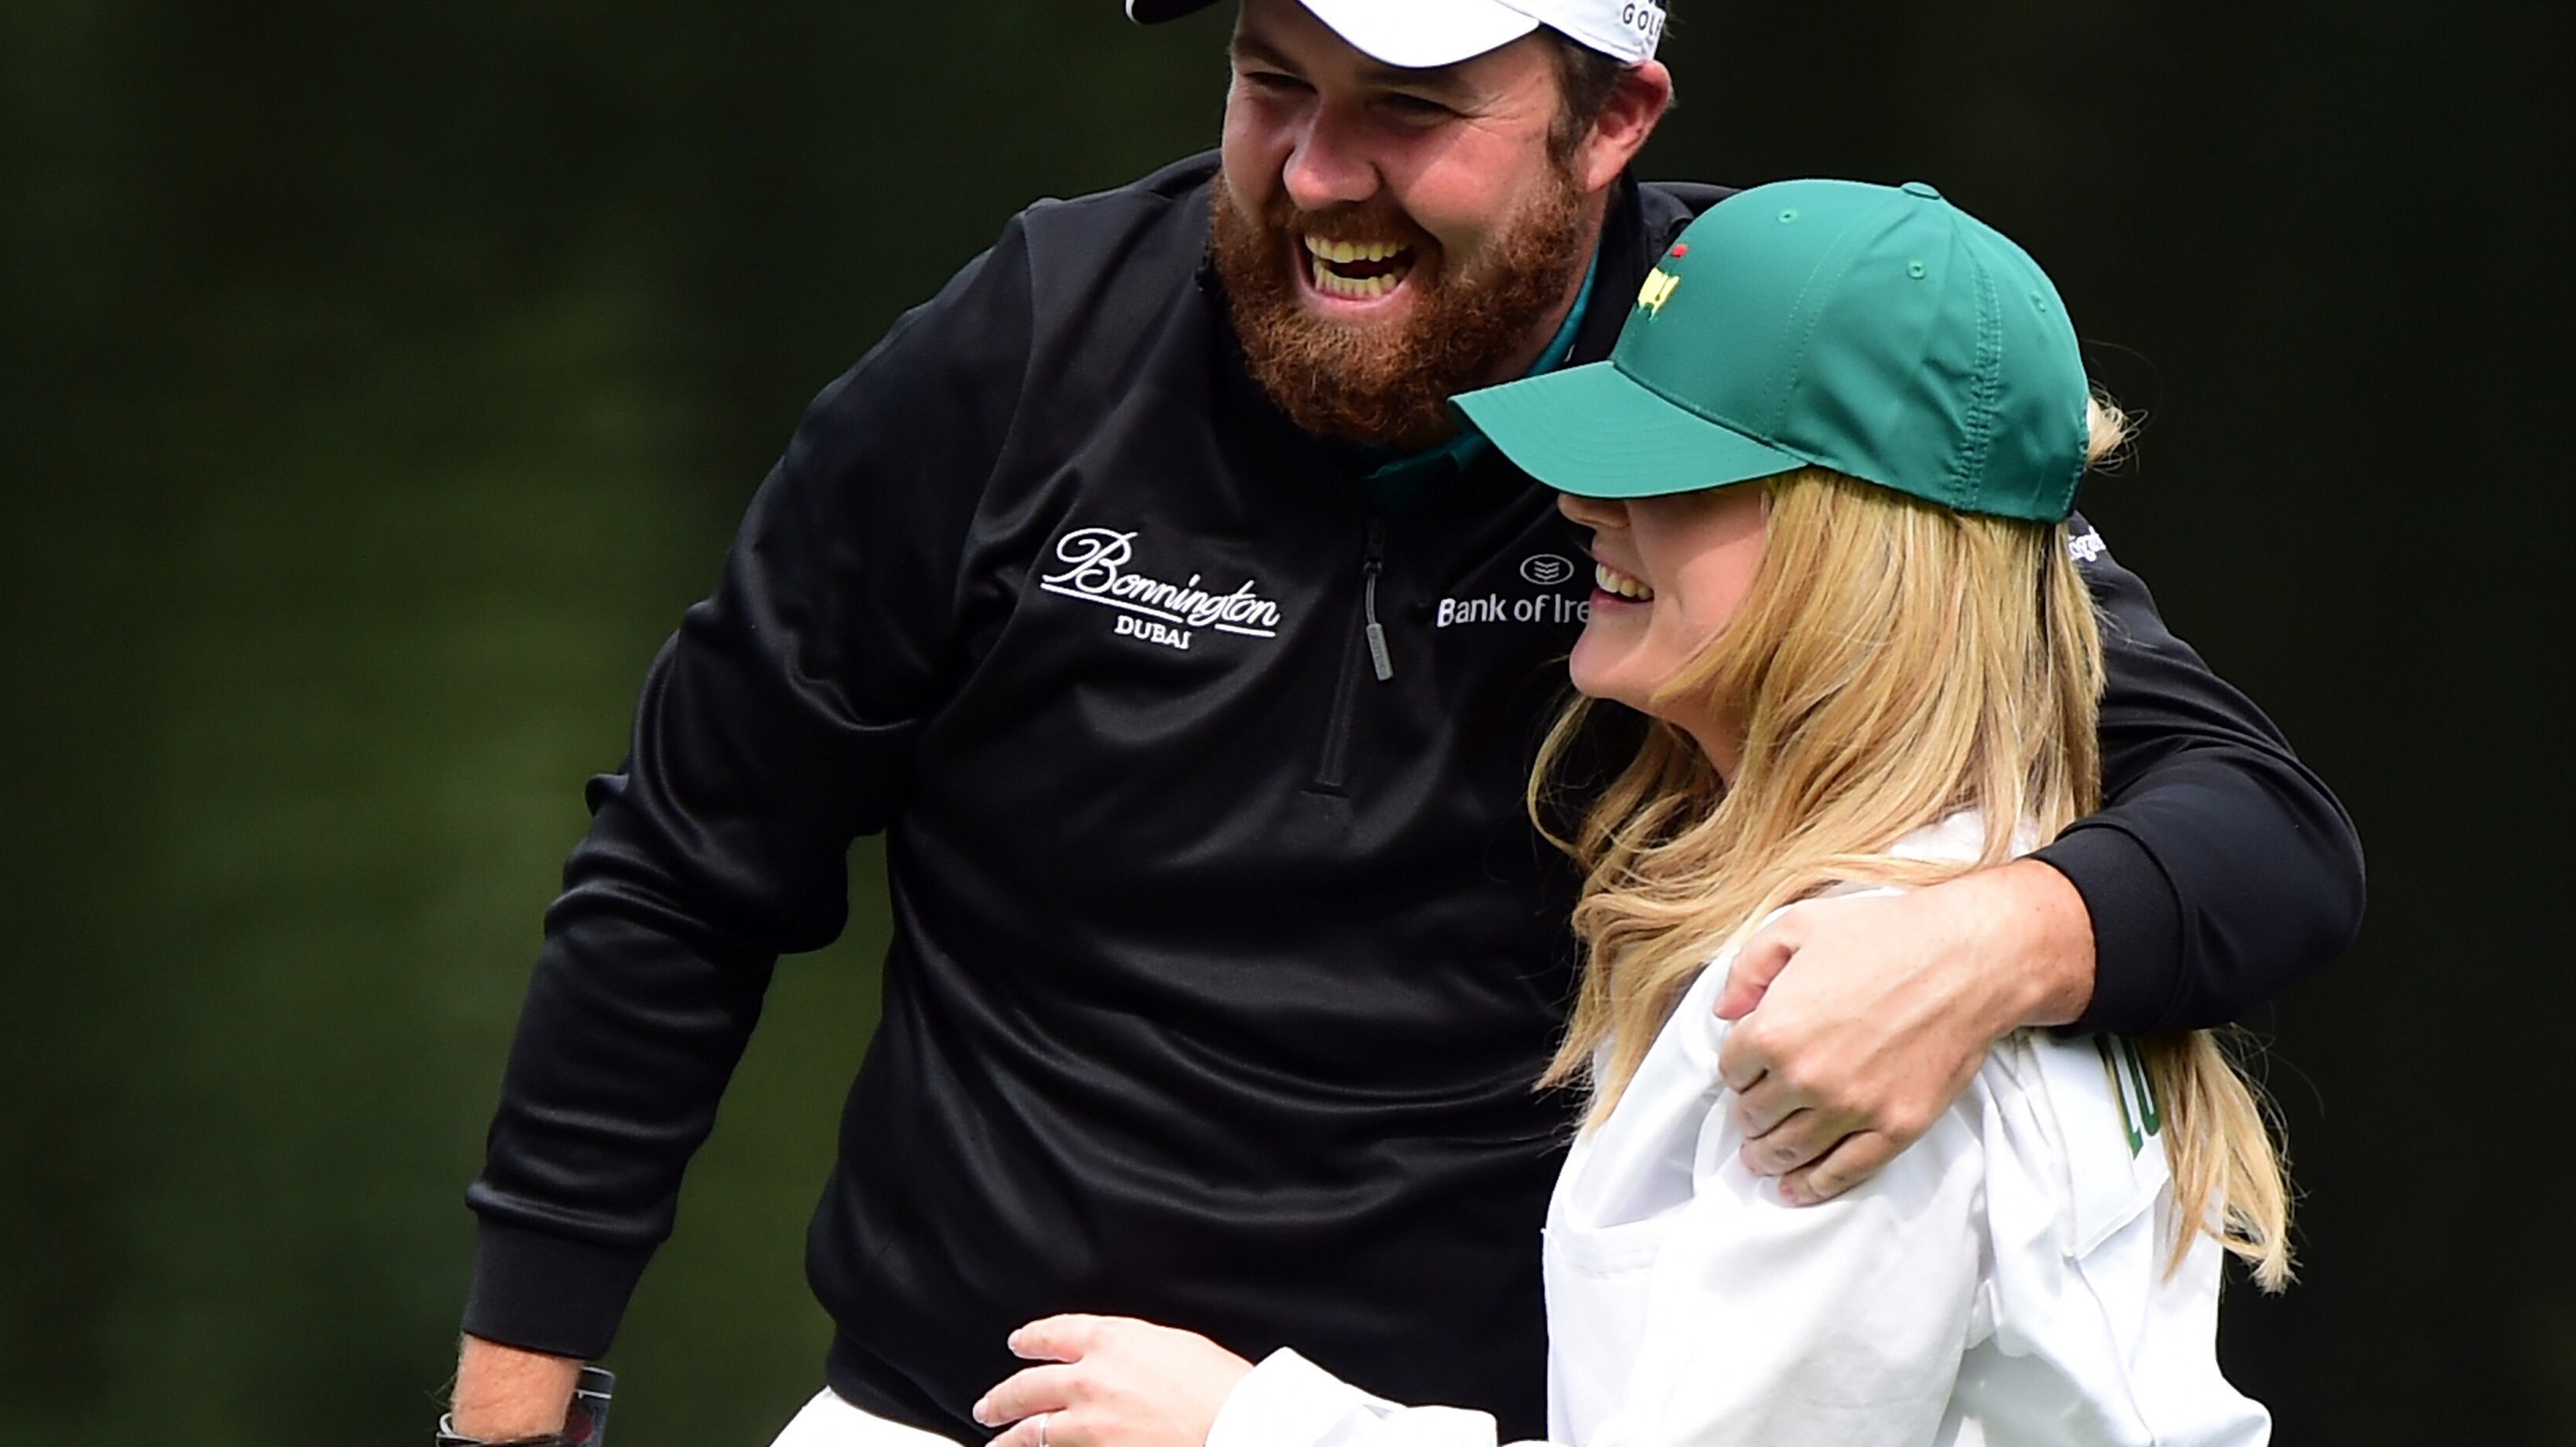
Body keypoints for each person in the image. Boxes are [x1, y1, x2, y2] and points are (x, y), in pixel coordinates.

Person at [444, 0, 2362, 1442]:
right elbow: (685, 871)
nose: (1317, 173)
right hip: (956, 1405)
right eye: (1270, 84)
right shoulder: (1022, 350)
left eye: (1413, 107)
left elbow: (2265, 831)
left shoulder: (1761, 397)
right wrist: (516, 1414)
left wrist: (1988, 948)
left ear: (1611, 122)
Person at [970, 179, 2291, 1447]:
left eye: (1673, 474)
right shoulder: (1972, 877)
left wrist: (1241, 1428)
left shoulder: (1857, 1022)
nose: (1583, 504)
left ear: (1860, 550)